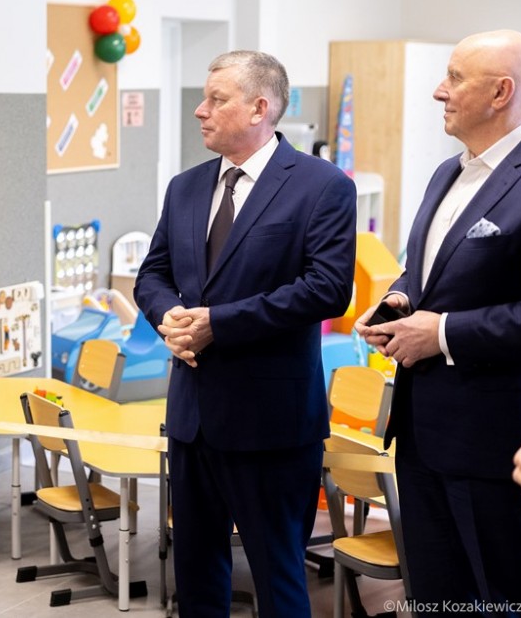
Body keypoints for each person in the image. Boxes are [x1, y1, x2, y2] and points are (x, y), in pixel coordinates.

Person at [134, 50, 356, 617]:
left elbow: (327, 289)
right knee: (196, 576)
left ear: (260, 108)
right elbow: (153, 274)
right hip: (191, 420)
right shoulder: (185, 187)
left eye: (216, 99)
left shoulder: (322, 186)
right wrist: (170, 318)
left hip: (272, 424)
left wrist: (218, 324)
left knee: (278, 578)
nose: (200, 110)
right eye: (203, 98)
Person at [356, 30, 521, 613]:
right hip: (422, 435)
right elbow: (426, 275)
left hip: (499, 441)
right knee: (435, 597)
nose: (438, 91)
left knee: (509, 601)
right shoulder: (446, 173)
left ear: (501, 92)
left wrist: (442, 332)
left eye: (454, 78)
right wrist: (398, 301)